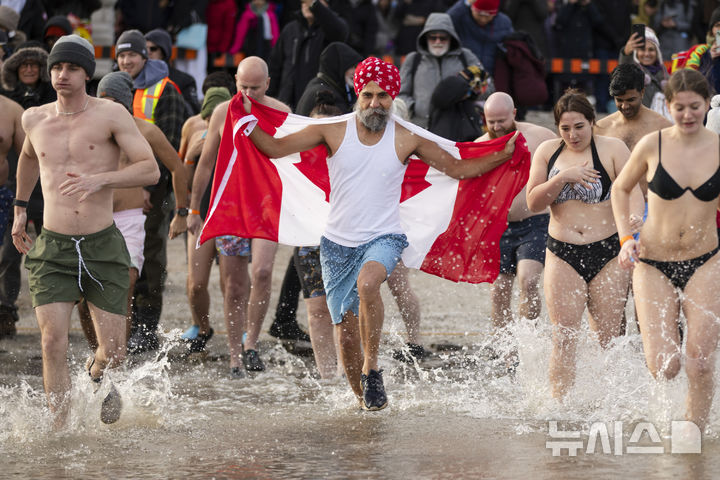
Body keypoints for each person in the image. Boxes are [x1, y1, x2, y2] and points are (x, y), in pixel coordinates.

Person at [241, 56, 518, 409]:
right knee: (344, 331)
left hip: (385, 236)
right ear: (357, 94)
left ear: (394, 96)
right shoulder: (333, 129)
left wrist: (501, 156)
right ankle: (366, 404)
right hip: (337, 243)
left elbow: (459, 169)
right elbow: (275, 148)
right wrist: (245, 121)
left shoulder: (406, 136)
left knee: (369, 284)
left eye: (383, 96)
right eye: (368, 95)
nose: (375, 103)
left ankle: (373, 368)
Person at [11, 35, 159, 426]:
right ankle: (59, 429)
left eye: (72, 68)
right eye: (57, 67)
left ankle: (95, 374)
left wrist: (101, 180)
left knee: (114, 351)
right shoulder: (35, 118)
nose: (62, 75)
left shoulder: (110, 115)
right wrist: (20, 207)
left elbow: (151, 169)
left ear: (87, 74)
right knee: (51, 340)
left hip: (102, 243)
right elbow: (28, 157)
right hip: (54, 246)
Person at [611, 69, 720, 432]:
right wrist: (626, 238)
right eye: (679, 107)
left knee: (700, 363)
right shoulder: (652, 144)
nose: (687, 115)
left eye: (695, 107)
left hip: (705, 260)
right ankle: (660, 425)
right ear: (668, 105)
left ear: (707, 105)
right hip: (653, 261)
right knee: (665, 365)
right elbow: (620, 189)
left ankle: (692, 435)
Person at [526, 89, 643, 399]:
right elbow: (533, 202)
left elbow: (633, 191)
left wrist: (633, 222)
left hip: (607, 250)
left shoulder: (613, 148)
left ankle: (611, 404)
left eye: (579, 126)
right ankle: (559, 405)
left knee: (608, 338)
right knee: (563, 336)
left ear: (592, 122)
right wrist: (562, 178)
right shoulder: (548, 153)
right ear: (557, 128)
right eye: (565, 128)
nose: (573, 135)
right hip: (562, 252)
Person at [188, 56, 291, 373]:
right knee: (233, 286)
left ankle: (251, 344)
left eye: (255, 88)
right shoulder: (222, 112)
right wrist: (193, 208)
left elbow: (294, 161)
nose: (248, 94)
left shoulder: (282, 112)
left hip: (265, 206)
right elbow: (205, 164)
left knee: (261, 272)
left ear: (268, 84)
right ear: (235, 81)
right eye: (243, 86)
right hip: (232, 207)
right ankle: (234, 356)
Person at [78, 71, 189, 350]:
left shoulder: (146, 130)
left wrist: (182, 211)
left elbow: (177, 167)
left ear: (127, 103)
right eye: (102, 99)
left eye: (114, 100)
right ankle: (99, 355)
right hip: (93, 220)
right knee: (84, 298)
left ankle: (118, 358)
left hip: (129, 220)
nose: (107, 106)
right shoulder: (87, 129)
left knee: (122, 290)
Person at [115, 29, 186, 353]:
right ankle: (123, 323)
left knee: (151, 256)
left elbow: (167, 145)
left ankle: (146, 325)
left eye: (132, 54)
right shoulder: (116, 88)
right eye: (121, 55)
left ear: (146, 56)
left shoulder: (164, 89)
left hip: (154, 188)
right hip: (124, 187)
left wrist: (146, 185)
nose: (126, 60)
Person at [479, 92, 556, 335]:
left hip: (535, 221)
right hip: (500, 226)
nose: (496, 126)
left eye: (501, 120)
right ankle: (506, 349)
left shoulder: (540, 137)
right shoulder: (480, 145)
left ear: (513, 114)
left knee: (528, 279)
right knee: (499, 290)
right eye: (491, 121)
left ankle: (529, 338)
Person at [398, 12, 481, 129]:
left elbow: (486, 87)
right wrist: (414, 109)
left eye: (443, 38)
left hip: (458, 130)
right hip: (421, 130)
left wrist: (466, 93)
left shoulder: (465, 56)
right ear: (425, 38)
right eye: (433, 37)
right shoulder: (413, 59)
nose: (438, 41)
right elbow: (400, 94)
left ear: (451, 38)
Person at [267, 0, 348, 110]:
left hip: (318, 103)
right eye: (305, 2)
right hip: (287, 102)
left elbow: (340, 33)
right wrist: (269, 97)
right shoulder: (290, 29)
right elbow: (275, 66)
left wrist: (316, 6)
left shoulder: (332, 29)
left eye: (314, 1)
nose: (308, 5)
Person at [0, 94, 21, 338]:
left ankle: (5, 310)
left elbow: (31, 156)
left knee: (9, 256)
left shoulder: (11, 109)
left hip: (3, 196)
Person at [446, 0, 512, 77]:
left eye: (488, 15)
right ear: (472, 9)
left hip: (492, 75)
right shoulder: (461, 17)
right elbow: (445, 22)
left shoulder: (504, 23)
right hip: (464, 73)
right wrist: (465, 4)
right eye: (479, 14)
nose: (483, 19)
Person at [144, 28, 201, 116]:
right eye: (145, 49)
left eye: (153, 48)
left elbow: (194, 112)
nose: (148, 53)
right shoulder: (138, 78)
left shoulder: (185, 80)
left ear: (164, 51)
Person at [618, 26, 670, 112]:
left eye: (651, 50)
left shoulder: (664, 73)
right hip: (639, 122)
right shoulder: (633, 72)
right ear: (636, 53)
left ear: (657, 52)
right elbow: (623, 72)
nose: (647, 54)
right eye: (642, 49)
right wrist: (626, 53)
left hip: (661, 121)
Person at [1, 43, 56, 109]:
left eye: (33, 64)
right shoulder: (4, 95)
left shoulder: (55, 93)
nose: (29, 70)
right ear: (16, 68)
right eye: (24, 64)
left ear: (42, 68)